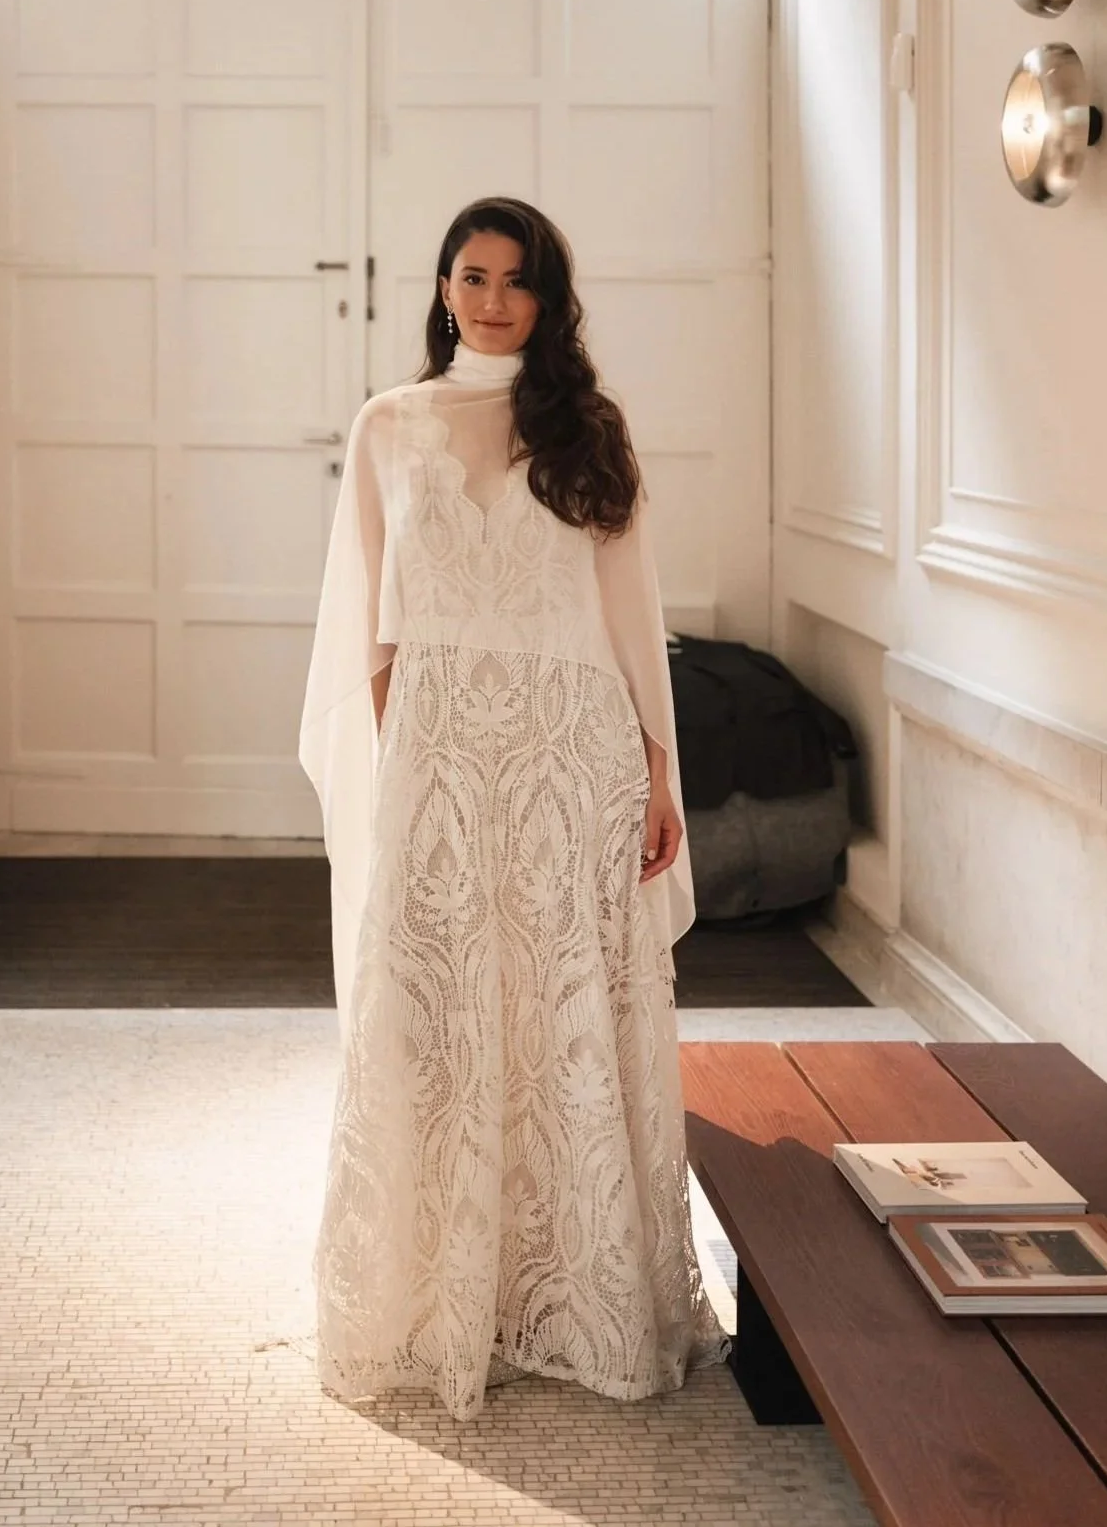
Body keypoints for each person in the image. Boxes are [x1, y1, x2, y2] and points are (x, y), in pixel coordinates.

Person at [299, 196, 727, 1421]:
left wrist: (654, 772)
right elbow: (373, 632)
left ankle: (574, 1295)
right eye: (472, 276)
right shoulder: (389, 427)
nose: (491, 299)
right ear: (442, 288)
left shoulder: (587, 429)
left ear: (547, 300)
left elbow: (631, 618)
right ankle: (444, 1297)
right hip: (443, 758)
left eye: (516, 281)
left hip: (571, 762)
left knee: (565, 1024)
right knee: (434, 1015)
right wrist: (407, 775)